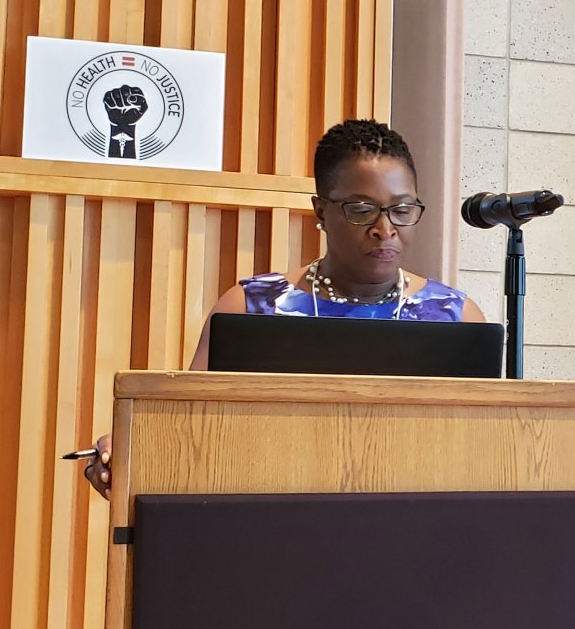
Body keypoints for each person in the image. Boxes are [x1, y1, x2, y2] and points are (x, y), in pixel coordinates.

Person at [84, 119, 485, 498]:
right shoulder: (252, 306)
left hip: (417, 532)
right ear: (321, 211)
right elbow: (189, 434)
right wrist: (123, 454)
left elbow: (482, 451)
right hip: (274, 529)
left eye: (402, 209)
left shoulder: (454, 315)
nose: (386, 227)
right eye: (362, 210)